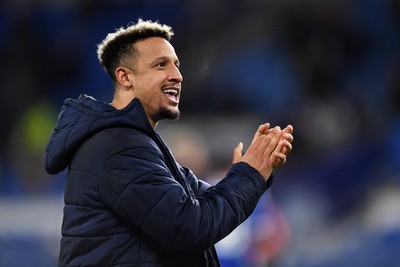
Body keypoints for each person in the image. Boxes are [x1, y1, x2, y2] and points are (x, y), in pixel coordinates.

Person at [44, 19, 294, 267]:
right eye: (161, 65)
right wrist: (249, 175)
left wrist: (251, 172)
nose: (177, 76)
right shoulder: (117, 146)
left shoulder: (138, 145)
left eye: (176, 65)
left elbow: (208, 205)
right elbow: (191, 226)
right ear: (125, 77)